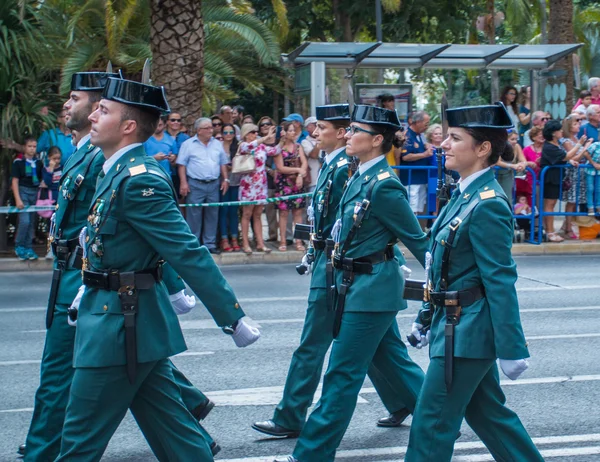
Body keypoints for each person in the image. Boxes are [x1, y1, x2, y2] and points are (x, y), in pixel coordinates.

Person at [56, 77, 260, 460]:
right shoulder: (112, 170)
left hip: (119, 328)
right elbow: (114, 249)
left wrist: (232, 317)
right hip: (124, 322)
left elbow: (184, 250)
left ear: (128, 126)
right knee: (180, 440)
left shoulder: (139, 180)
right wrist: (86, 287)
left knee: (78, 443)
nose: (94, 115)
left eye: (104, 110)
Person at [20, 71, 221, 461]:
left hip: (96, 285)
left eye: (79, 99)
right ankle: (191, 419)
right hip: (80, 280)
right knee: (142, 378)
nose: (71, 105)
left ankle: (42, 452)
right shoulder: (86, 151)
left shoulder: (114, 161)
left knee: (66, 382)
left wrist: (177, 286)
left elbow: (160, 236)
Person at [275, 105, 428, 462]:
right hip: (352, 284)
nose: (346, 134)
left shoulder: (385, 186)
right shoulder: (360, 176)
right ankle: (433, 413)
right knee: (354, 369)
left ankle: (310, 454)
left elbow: (419, 241)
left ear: (376, 140)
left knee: (341, 375)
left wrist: (443, 286)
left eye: (354, 130)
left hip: (372, 289)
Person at [405, 102, 544, 462]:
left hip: (467, 331)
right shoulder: (464, 193)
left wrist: (513, 347)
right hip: (452, 324)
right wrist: (424, 316)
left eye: (454, 138)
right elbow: (442, 266)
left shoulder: (488, 204)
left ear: (483, 148)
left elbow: (499, 280)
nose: (443, 145)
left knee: (431, 425)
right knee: (490, 417)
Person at [177, 117, 230, 254]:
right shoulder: (188, 144)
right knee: (194, 215)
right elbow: (181, 165)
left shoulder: (217, 144)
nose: (210, 130)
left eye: (211, 127)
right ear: (199, 130)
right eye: (207, 128)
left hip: (213, 184)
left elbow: (222, 162)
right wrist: (183, 182)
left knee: (212, 214)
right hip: (195, 184)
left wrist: (225, 179)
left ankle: (209, 244)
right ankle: (194, 244)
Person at [541, 120, 585, 242]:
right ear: (554, 133)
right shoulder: (549, 146)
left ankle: (550, 230)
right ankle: (550, 232)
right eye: (559, 130)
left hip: (556, 178)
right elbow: (565, 156)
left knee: (551, 204)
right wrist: (579, 144)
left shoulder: (556, 145)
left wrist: (570, 161)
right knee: (549, 205)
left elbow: (562, 158)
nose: (561, 132)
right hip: (551, 178)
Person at [238, 123, 278, 254]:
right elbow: (250, 146)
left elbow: (274, 151)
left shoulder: (261, 146)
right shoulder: (243, 146)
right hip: (248, 185)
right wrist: (265, 137)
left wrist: (283, 138)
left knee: (258, 215)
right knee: (247, 214)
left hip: (261, 185)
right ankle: (245, 243)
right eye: (253, 132)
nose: (256, 134)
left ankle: (260, 243)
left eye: (256, 132)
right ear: (246, 134)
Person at [274, 120, 308, 252]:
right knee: (283, 213)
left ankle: (298, 241)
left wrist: (300, 175)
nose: (293, 133)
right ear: (284, 132)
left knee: (298, 212)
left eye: (294, 130)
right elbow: (280, 168)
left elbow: (304, 163)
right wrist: (298, 171)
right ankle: (282, 241)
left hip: (297, 183)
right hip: (284, 183)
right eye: (290, 130)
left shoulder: (299, 146)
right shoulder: (279, 148)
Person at [559, 115, 593, 237]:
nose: (579, 125)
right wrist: (586, 147)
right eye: (575, 123)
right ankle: (568, 229)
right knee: (571, 201)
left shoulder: (576, 139)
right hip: (572, 173)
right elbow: (575, 158)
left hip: (580, 173)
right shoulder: (566, 141)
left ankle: (566, 225)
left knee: (576, 201)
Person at [11, 137, 43, 260]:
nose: (32, 149)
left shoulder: (38, 162)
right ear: (25, 147)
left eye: (34, 146)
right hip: (23, 192)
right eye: (29, 146)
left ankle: (28, 247)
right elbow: (15, 181)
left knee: (32, 222)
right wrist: (18, 199)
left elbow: (42, 178)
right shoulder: (18, 162)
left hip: (35, 192)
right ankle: (19, 246)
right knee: (25, 221)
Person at [400, 110, 433, 223]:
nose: (427, 126)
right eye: (426, 123)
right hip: (411, 180)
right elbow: (405, 156)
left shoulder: (421, 136)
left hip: (421, 178)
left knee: (419, 207)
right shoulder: (407, 136)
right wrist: (424, 154)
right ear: (417, 122)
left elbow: (425, 146)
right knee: (411, 207)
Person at [219, 122, 241, 252]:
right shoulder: (218, 147)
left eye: (231, 132)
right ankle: (224, 239)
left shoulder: (238, 146)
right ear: (222, 134)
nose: (228, 135)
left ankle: (234, 238)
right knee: (223, 211)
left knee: (233, 212)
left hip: (236, 182)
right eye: (226, 132)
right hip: (222, 182)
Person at [258, 116, 279, 242]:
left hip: (282, 179)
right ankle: (272, 236)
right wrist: (269, 170)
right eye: (262, 124)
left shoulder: (278, 141)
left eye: (268, 124)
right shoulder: (258, 142)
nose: (265, 126)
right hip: (265, 179)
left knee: (283, 211)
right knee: (269, 210)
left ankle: (287, 238)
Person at [495, 129, 527, 206]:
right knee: (495, 197)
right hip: (495, 174)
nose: (515, 141)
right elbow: (497, 162)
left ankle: (507, 217)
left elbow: (523, 160)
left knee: (507, 198)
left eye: (516, 139)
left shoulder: (517, 146)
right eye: (512, 139)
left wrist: (522, 165)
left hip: (508, 175)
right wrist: (513, 166)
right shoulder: (499, 145)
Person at [517, 126, 544, 205]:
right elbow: (520, 163)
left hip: (544, 180)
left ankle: (540, 218)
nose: (542, 136)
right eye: (539, 134)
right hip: (531, 180)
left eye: (543, 134)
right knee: (532, 204)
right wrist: (529, 163)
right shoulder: (527, 149)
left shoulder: (547, 148)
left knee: (541, 205)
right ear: (533, 137)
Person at [584, 141, 600, 215]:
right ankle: (590, 207)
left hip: (599, 171)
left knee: (598, 189)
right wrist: (593, 163)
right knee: (590, 188)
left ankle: (598, 206)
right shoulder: (595, 145)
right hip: (590, 170)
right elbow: (586, 153)